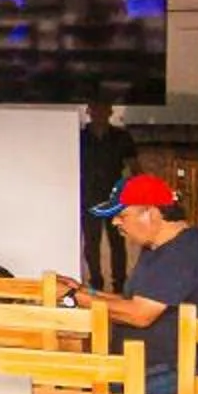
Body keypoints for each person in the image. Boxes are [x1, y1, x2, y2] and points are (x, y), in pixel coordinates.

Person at [60, 172, 198, 394]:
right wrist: (85, 291)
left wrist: (74, 298)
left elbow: (140, 314)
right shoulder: (159, 246)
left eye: (121, 215)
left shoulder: (182, 252)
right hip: (159, 366)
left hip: (186, 372)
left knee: (78, 393)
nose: (115, 222)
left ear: (151, 213)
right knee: (80, 382)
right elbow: (135, 301)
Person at [80, 101, 139, 287]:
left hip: (115, 194)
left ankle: (120, 282)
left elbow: (134, 165)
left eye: (103, 109)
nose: (99, 113)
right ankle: (95, 280)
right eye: (95, 108)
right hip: (88, 193)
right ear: (89, 111)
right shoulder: (80, 137)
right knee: (91, 241)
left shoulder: (121, 136)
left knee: (118, 241)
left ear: (110, 111)